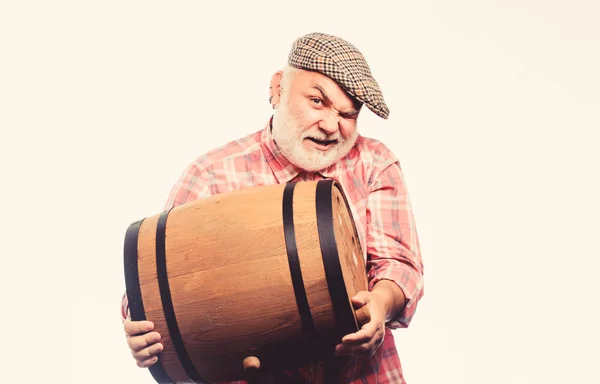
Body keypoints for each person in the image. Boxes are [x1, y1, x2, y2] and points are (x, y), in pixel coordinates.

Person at [121, 32, 424, 383]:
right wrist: (139, 328)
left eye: (347, 114)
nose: (330, 125)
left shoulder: (374, 163)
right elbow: (158, 281)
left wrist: (381, 304)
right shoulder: (210, 175)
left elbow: (399, 264)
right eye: (317, 101)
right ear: (278, 88)